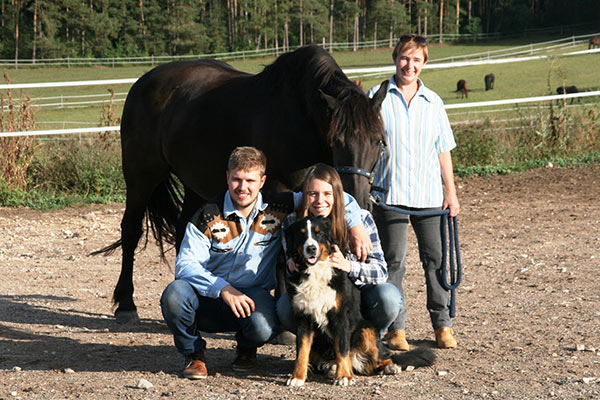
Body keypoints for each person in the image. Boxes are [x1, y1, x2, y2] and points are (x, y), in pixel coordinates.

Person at [160, 147, 370, 380]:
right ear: (227, 177)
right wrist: (224, 289)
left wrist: (355, 224)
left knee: (264, 326)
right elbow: (185, 265)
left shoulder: (277, 206)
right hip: (208, 296)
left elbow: (328, 196)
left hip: (251, 295)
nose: (243, 187)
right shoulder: (207, 215)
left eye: (250, 180)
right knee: (174, 294)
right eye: (237, 179)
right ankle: (193, 354)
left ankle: (246, 349)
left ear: (262, 181)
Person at [366, 34, 460, 350]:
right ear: (395, 59)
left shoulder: (433, 102)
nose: (410, 65)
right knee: (393, 263)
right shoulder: (376, 97)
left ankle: (442, 324)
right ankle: (396, 328)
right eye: (405, 58)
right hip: (389, 195)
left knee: (435, 261)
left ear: (424, 63)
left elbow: (443, 150)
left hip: (429, 196)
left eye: (416, 60)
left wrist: (451, 191)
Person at [276, 163, 402, 339]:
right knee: (284, 307)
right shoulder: (293, 223)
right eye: (313, 194)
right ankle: (321, 350)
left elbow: (381, 273)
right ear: (305, 196)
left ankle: (369, 343)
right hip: (315, 296)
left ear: (338, 195)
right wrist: (292, 266)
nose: (320, 200)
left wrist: (348, 266)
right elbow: (292, 273)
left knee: (388, 297)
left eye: (327, 194)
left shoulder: (362, 219)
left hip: (359, 297)